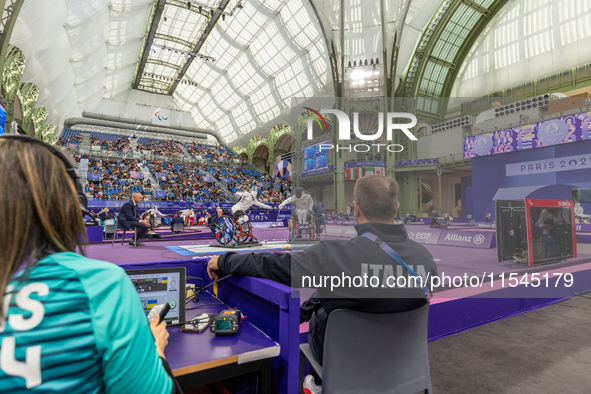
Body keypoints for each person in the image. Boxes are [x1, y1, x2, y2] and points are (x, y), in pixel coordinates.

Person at [207, 176, 438, 393]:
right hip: (403, 364)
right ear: (396, 209)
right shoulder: (425, 259)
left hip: (343, 359)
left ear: (356, 209)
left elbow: (274, 265)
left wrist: (225, 259)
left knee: (330, 296)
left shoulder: (335, 256)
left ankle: (316, 383)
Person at [0, 136, 181, 393]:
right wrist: (156, 350)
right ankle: (136, 241)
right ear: (71, 204)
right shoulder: (104, 285)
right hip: (124, 226)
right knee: (142, 225)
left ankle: (137, 240)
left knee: (144, 225)